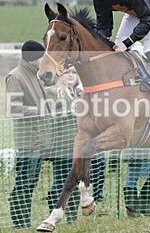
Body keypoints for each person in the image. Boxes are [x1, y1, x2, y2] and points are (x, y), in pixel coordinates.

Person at [45, 66, 106, 221]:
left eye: (74, 72)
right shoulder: (52, 92)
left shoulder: (82, 92)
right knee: (61, 180)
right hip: (62, 144)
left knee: (76, 179)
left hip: (81, 145)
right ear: (60, 75)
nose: (71, 75)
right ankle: (54, 211)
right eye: (67, 72)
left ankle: (72, 218)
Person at [6, 40, 51, 228]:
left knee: (30, 183)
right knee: (23, 183)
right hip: (28, 141)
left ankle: (25, 221)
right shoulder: (15, 77)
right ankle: (19, 223)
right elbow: (13, 108)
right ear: (32, 59)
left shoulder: (35, 75)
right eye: (41, 57)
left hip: (39, 139)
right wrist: (40, 110)